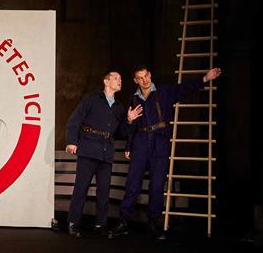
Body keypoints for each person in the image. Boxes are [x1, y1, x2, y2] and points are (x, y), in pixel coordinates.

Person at [109, 65, 222, 240]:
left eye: (146, 75)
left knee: (157, 185)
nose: (145, 80)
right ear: (135, 80)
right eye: (141, 78)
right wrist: (129, 136)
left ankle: (153, 224)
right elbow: (128, 129)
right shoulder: (133, 99)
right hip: (140, 143)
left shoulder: (164, 92)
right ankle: (123, 222)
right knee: (132, 184)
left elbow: (184, 89)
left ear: (150, 74)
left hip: (160, 142)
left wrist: (205, 79)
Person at [65, 70, 143, 238]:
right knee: (81, 188)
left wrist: (129, 120)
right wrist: (72, 142)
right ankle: (73, 223)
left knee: (104, 191)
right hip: (88, 149)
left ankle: (100, 224)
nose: (119, 80)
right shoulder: (92, 99)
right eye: (116, 78)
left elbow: (121, 132)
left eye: (120, 78)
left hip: (106, 152)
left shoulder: (119, 107)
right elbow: (74, 120)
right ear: (106, 82)